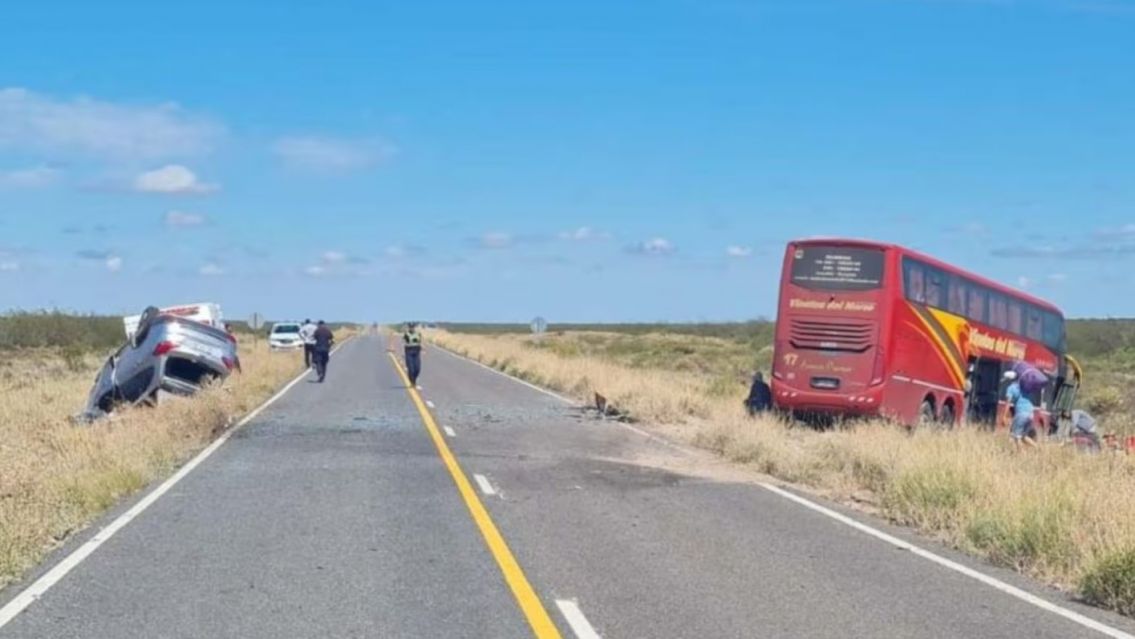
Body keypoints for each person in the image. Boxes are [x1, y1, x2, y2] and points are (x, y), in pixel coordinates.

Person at [1003, 370, 1037, 450]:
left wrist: (1004, 415)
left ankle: (1021, 455)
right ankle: (1038, 449)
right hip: (1030, 413)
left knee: (1016, 437)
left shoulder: (1010, 388)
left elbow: (1008, 402)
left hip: (1021, 413)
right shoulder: (1024, 387)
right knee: (1023, 436)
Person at [403, 322, 424, 388]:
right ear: (409, 328)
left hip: (416, 352)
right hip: (409, 351)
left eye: (413, 327)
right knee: (411, 369)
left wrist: (423, 348)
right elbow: (404, 343)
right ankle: (412, 381)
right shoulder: (406, 334)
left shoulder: (418, 334)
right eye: (410, 327)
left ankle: (414, 379)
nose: (412, 328)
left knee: (417, 368)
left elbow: (421, 341)